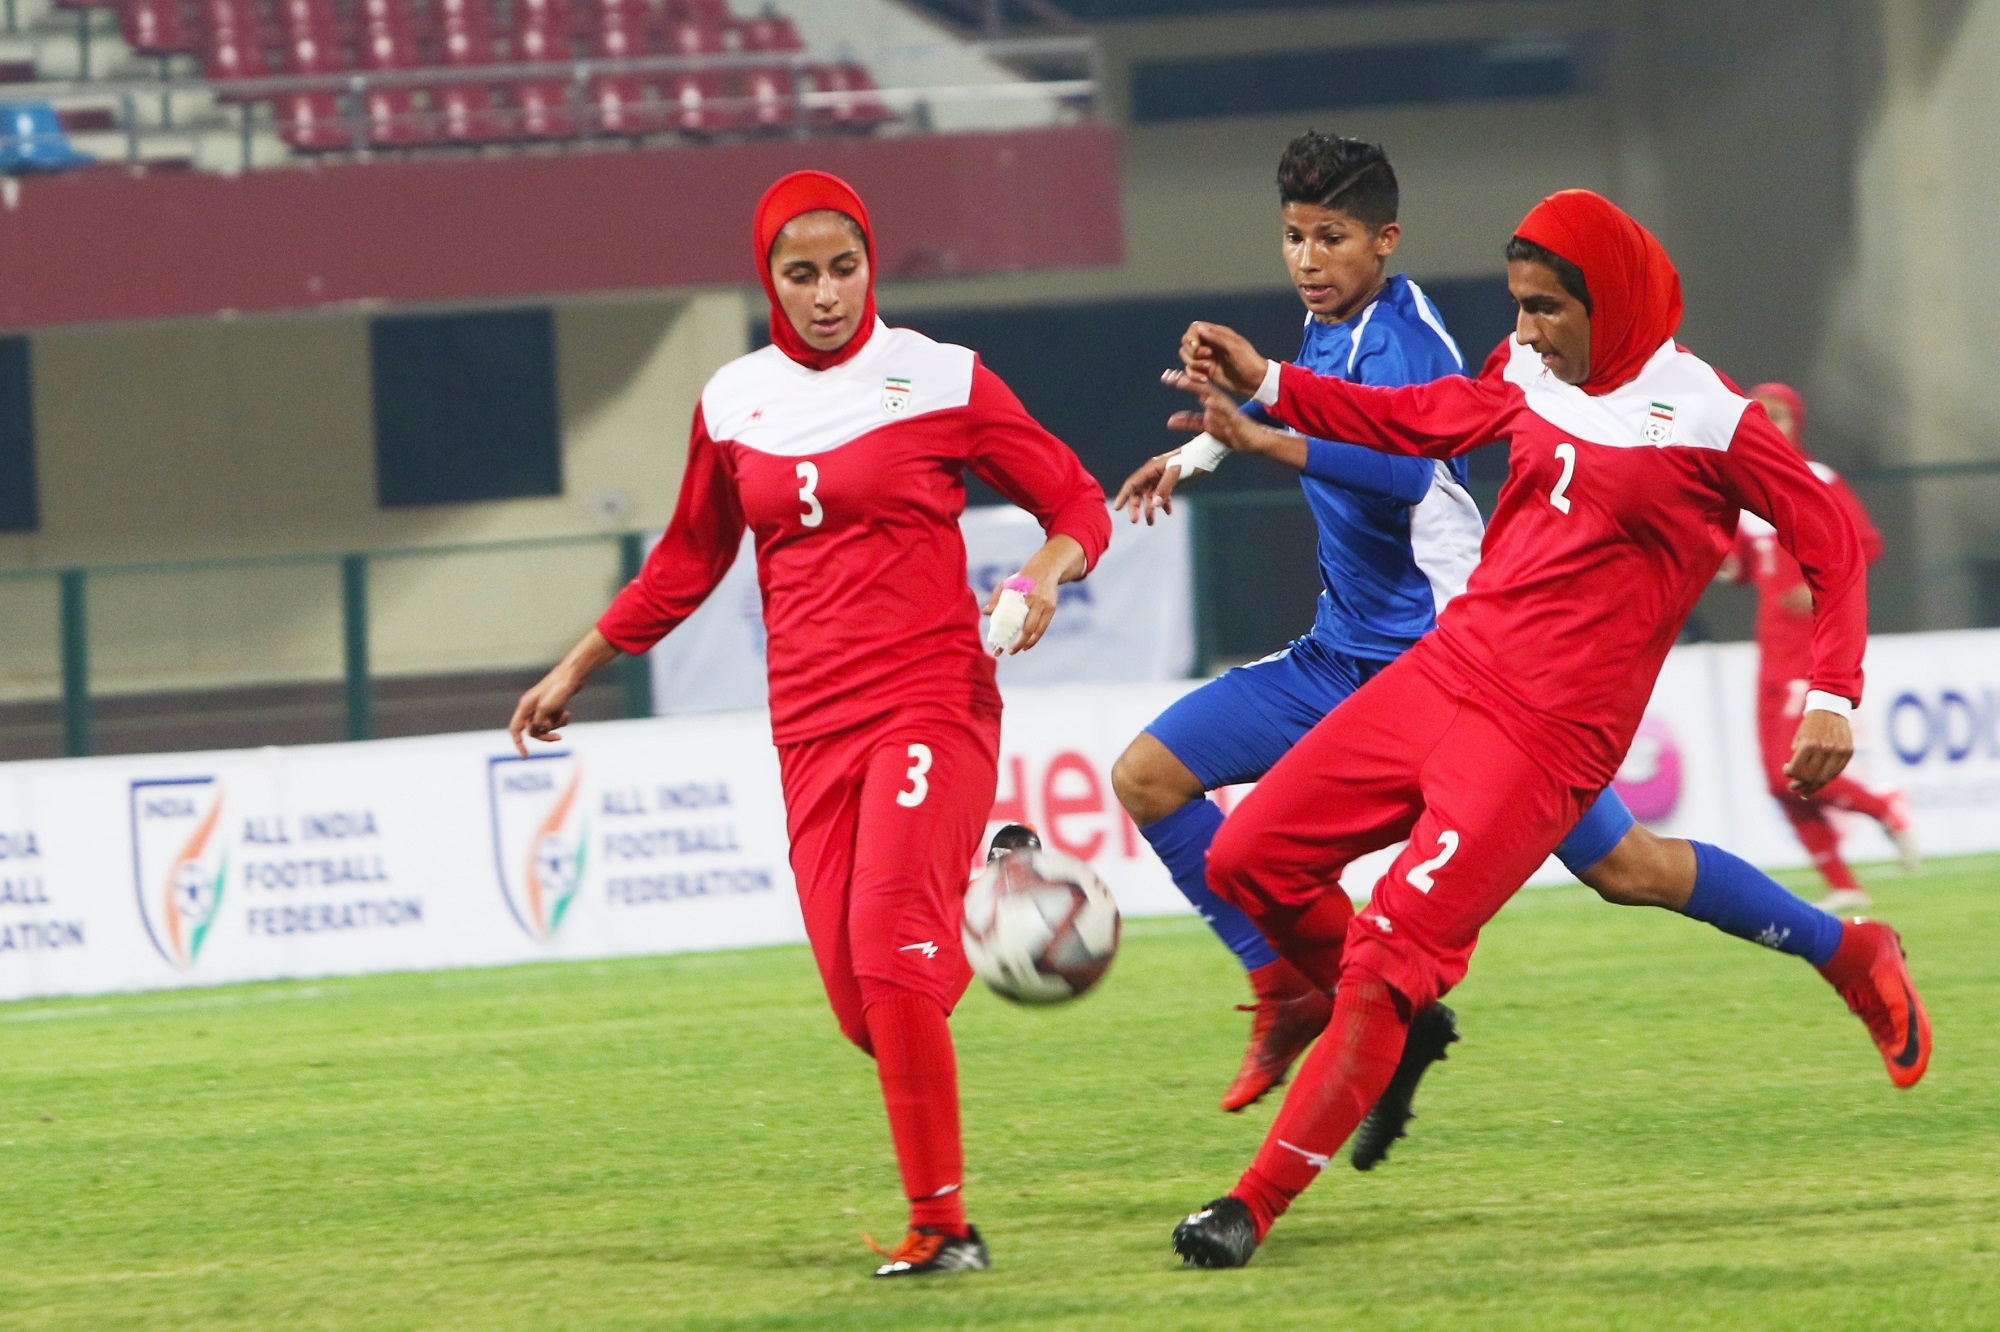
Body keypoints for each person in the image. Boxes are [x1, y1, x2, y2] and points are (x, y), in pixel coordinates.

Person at [1160, 188, 1931, 1269]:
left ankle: (1252, 1202)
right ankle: (1847, 948)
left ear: (1604, 303)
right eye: (1518, 307)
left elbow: (1833, 538)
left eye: (1542, 310)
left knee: (1388, 957)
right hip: (1445, 672)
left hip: (1545, 737)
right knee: (1250, 857)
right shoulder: (1526, 369)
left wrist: (1832, 694)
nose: (1521, 332)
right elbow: (1423, 417)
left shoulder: (1707, 417)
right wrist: (1274, 385)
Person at [508, 170, 1111, 1279]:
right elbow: (689, 559)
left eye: (844, 268)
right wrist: (578, 663)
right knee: (864, 1009)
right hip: (810, 727)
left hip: (931, 697)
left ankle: (944, 1229)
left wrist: (1040, 572)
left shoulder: (940, 377)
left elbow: (1075, 500)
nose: (827, 293)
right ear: (767, 281)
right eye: (801, 274)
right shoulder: (732, 401)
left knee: (889, 953)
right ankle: (993, 898)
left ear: (870, 265)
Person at [1728, 383, 1916, 910]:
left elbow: (1868, 543)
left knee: (1788, 772)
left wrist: (1817, 588)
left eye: (1781, 415)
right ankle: (1843, 884)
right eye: (1761, 416)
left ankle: (1881, 805)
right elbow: (1744, 564)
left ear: (1798, 422)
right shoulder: (1745, 492)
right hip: (1769, 652)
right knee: (1775, 782)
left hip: (1810, 651)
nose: (1772, 424)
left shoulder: (1820, 480)